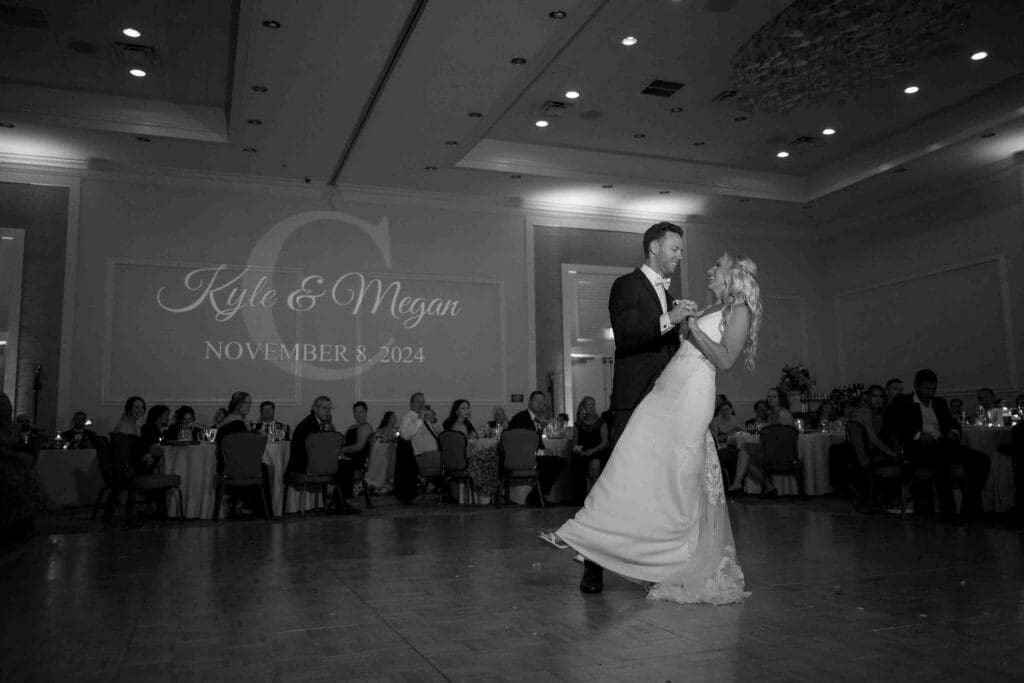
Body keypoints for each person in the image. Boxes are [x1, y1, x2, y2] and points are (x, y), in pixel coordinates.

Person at [544, 252, 761, 604]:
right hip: (664, 392)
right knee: (628, 460)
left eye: (717, 266)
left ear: (733, 275)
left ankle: (668, 559)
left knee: (674, 480)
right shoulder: (709, 308)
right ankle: (586, 532)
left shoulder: (740, 310)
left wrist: (692, 329)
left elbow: (724, 359)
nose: (710, 269)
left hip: (691, 396)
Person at [607, 222, 692, 444]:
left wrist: (684, 330)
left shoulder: (670, 297)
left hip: (666, 400)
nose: (680, 255)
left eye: (681, 251)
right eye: (675, 249)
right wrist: (670, 318)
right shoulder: (626, 284)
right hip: (635, 398)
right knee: (627, 465)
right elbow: (625, 337)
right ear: (654, 247)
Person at [883, 369, 990, 522]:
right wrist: (917, 435)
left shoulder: (939, 403)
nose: (930, 392)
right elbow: (890, 425)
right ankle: (949, 510)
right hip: (918, 448)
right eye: (926, 388)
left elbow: (951, 423)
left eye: (933, 389)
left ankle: (969, 506)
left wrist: (954, 432)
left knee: (982, 459)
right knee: (941, 458)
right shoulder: (903, 401)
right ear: (916, 386)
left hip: (943, 444)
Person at [289, 395, 360, 514]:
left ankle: (338, 501)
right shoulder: (309, 425)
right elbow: (312, 450)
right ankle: (339, 502)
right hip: (304, 465)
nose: (327, 412)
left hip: (310, 462)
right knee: (347, 465)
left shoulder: (315, 422)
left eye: (329, 409)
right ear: (314, 408)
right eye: (324, 408)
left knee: (344, 465)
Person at [0, 393, 52, 542]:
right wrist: (15, 456)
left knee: (27, 473)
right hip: (4, 460)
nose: (5, 407)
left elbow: (19, 445)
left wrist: (25, 453)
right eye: (1, 405)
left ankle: (26, 517)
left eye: (6, 404)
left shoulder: (12, 427)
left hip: (13, 460)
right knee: (17, 476)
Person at [508, 391, 566, 503]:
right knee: (556, 463)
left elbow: (537, 443)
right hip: (521, 458)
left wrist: (545, 451)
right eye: (536, 401)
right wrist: (542, 452)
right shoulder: (521, 418)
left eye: (542, 402)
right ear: (530, 402)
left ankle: (537, 495)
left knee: (558, 461)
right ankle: (536, 496)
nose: (540, 404)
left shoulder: (536, 420)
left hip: (532, 456)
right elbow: (522, 444)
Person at [572, 396, 610, 502]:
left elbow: (605, 442)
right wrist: (579, 450)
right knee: (578, 462)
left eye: (593, 405)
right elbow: (574, 444)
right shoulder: (578, 425)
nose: (592, 407)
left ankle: (596, 494)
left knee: (594, 464)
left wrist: (594, 450)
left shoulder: (601, 423)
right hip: (583, 453)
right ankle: (585, 497)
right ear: (583, 407)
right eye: (589, 405)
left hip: (598, 451)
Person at [341, 401, 374, 497]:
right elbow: (343, 442)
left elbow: (359, 447)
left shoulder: (365, 427)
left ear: (366, 413)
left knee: (338, 467)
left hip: (357, 463)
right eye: (356, 412)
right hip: (348, 460)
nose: (359, 414)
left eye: (361, 411)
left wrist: (341, 450)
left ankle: (343, 497)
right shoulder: (352, 427)